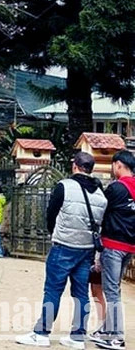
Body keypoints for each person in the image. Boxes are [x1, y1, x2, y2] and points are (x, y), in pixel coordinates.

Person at [16, 152, 108, 349]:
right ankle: (77, 336)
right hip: (86, 250)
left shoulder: (64, 186)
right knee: (81, 293)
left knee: (53, 290)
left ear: (75, 166)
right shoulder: (101, 193)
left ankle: (42, 333)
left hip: (64, 246)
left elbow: (50, 213)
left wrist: (54, 233)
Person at [88, 150, 135, 350]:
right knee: (114, 286)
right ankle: (106, 330)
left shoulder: (116, 188)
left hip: (113, 245)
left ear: (118, 165)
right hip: (130, 247)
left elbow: (100, 213)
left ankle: (117, 337)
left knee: (112, 291)